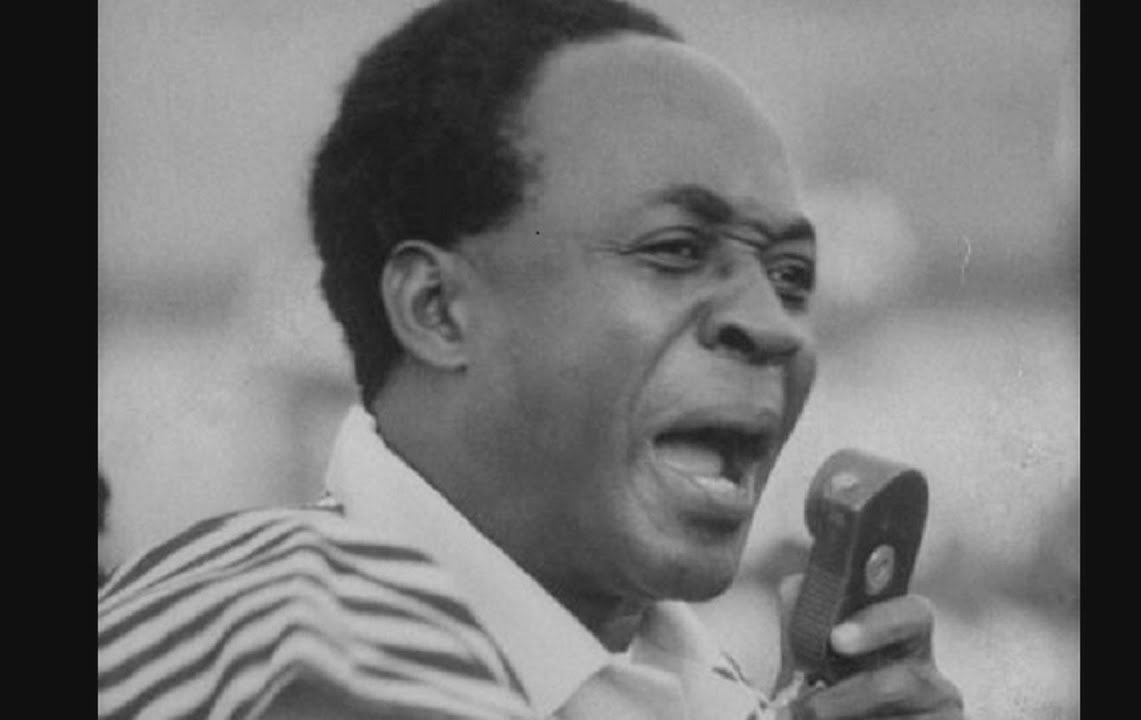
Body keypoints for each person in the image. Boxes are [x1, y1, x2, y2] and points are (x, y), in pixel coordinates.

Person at [97, 1, 965, 718]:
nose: (774, 325)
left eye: (791, 276)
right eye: (673, 250)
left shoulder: (689, 682)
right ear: (438, 309)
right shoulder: (307, 641)